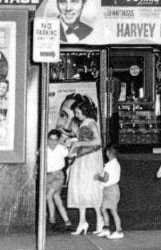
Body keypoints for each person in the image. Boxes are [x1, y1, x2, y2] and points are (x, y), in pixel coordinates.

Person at [66, 96, 105, 235]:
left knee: (91, 188)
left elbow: (98, 141)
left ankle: (99, 219)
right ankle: (82, 221)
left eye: (77, 112)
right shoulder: (83, 123)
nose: (76, 115)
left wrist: (78, 143)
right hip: (82, 158)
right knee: (81, 188)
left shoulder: (91, 122)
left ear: (84, 111)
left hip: (90, 159)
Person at [94, 144, 124, 239]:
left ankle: (119, 231)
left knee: (113, 211)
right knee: (104, 208)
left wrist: (98, 177)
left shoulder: (109, 165)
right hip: (113, 189)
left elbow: (105, 179)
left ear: (107, 153)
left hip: (110, 190)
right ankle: (106, 228)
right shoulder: (116, 164)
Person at [45, 129, 72, 231]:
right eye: (50, 140)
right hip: (47, 176)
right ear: (47, 139)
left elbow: (71, 154)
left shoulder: (61, 149)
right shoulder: (44, 148)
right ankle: (67, 221)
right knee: (56, 198)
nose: (53, 142)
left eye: (55, 140)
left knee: (49, 196)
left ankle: (51, 220)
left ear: (58, 140)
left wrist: (66, 142)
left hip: (58, 176)